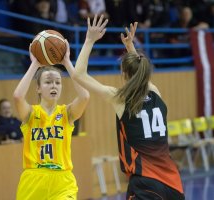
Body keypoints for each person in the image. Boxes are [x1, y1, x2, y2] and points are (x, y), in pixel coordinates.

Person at [71, 15, 184, 199]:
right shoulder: (155, 92)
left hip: (145, 181)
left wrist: (89, 40)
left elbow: (78, 75)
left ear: (123, 72)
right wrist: (130, 47)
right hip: (173, 183)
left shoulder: (120, 98)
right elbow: (140, 74)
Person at [13, 40, 90, 199]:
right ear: (38, 88)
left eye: (58, 82)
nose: (54, 86)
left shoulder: (66, 113)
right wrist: (34, 65)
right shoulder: (30, 114)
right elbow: (18, 96)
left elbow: (84, 96)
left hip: (62, 180)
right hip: (33, 179)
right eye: (48, 82)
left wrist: (67, 63)